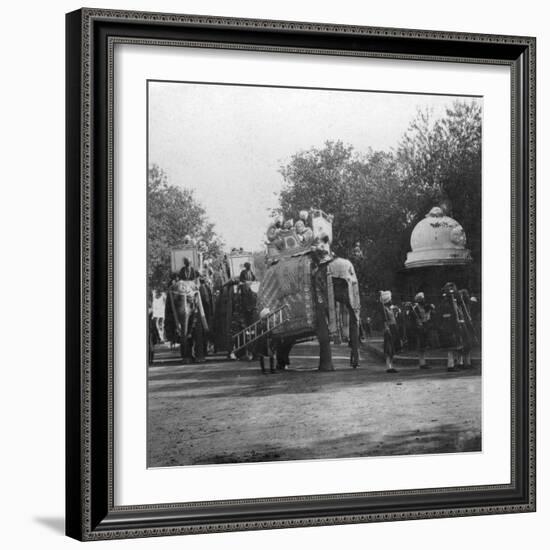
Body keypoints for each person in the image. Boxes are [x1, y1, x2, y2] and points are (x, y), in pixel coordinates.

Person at [440, 282, 475, 372]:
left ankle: (460, 363)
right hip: (450, 326)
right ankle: (450, 365)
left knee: (459, 345)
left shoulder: (457, 302)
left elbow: (460, 313)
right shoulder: (445, 302)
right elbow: (446, 315)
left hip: (458, 325)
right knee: (451, 347)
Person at [409, 292, 435, 369]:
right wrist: (418, 324)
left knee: (424, 345)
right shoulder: (415, 308)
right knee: (421, 346)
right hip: (419, 328)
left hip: (425, 326)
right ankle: (422, 363)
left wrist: (431, 309)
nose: (423, 300)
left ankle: (423, 362)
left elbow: (430, 314)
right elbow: (413, 319)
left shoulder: (426, 306)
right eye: (422, 299)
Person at [380, 290, 401, 373]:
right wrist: (387, 329)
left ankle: (391, 365)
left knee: (393, 348)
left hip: (394, 328)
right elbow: (385, 320)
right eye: (390, 298)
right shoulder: (384, 309)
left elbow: (393, 318)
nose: (391, 300)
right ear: (387, 300)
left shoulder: (390, 308)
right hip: (388, 328)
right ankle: (388, 366)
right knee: (389, 347)